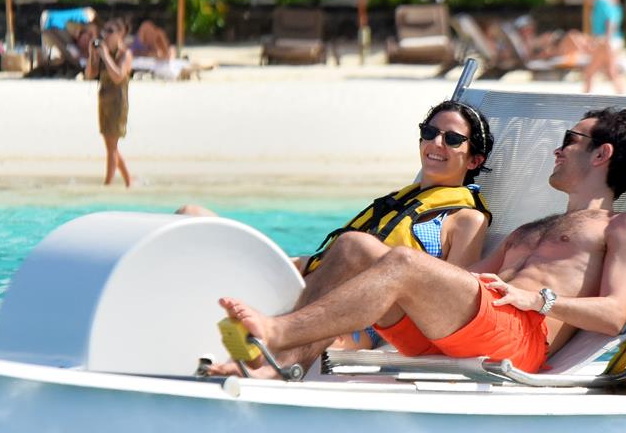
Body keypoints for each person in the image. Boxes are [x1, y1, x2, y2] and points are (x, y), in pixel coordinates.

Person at [220, 107, 626, 379]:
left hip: (519, 338)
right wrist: (392, 279)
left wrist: (539, 301)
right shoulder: (532, 228)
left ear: (602, 154)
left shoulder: (622, 226)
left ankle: (277, 332)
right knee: (355, 247)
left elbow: (616, 314)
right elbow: (465, 279)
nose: (557, 151)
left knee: (403, 262)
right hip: (461, 328)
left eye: (570, 141)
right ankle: (282, 366)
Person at [196, 99, 496, 373]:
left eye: (452, 139)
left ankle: (271, 362)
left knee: (354, 247)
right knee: (196, 215)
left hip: (368, 316)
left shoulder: (466, 219)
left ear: (474, 160)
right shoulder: (399, 201)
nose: (436, 143)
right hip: (323, 287)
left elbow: (448, 298)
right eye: (429, 133)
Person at [89, 18, 133, 186]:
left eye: (110, 31)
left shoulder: (125, 55)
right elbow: (90, 74)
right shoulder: (105, 53)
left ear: (120, 34)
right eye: (104, 31)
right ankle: (129, 181)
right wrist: (92, 54)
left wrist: (105, 55)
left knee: (112, 147)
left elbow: (118, 76)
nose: (105, 35)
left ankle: (107, 184)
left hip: (117, 104)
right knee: (110, 145)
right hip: (104, 102)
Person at [583, 0, 626, 94]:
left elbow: (610, 21)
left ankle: (584, 100)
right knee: (610, 72)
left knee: (592, 72)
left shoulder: (602, 1)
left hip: (606, 40)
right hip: (612, 40)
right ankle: (624, 98)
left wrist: (607, 40)